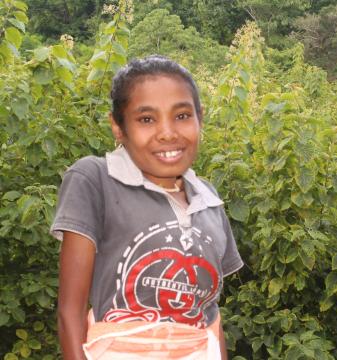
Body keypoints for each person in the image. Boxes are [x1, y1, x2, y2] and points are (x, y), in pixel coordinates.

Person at [51, 55, 244, 359]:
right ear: (118, 126)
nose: (167, 132)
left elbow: (210, 315)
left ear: (199, 118)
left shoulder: (208, 197)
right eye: (146, 119)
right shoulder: (95, 179)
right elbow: (69, 312)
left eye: (181, 115)